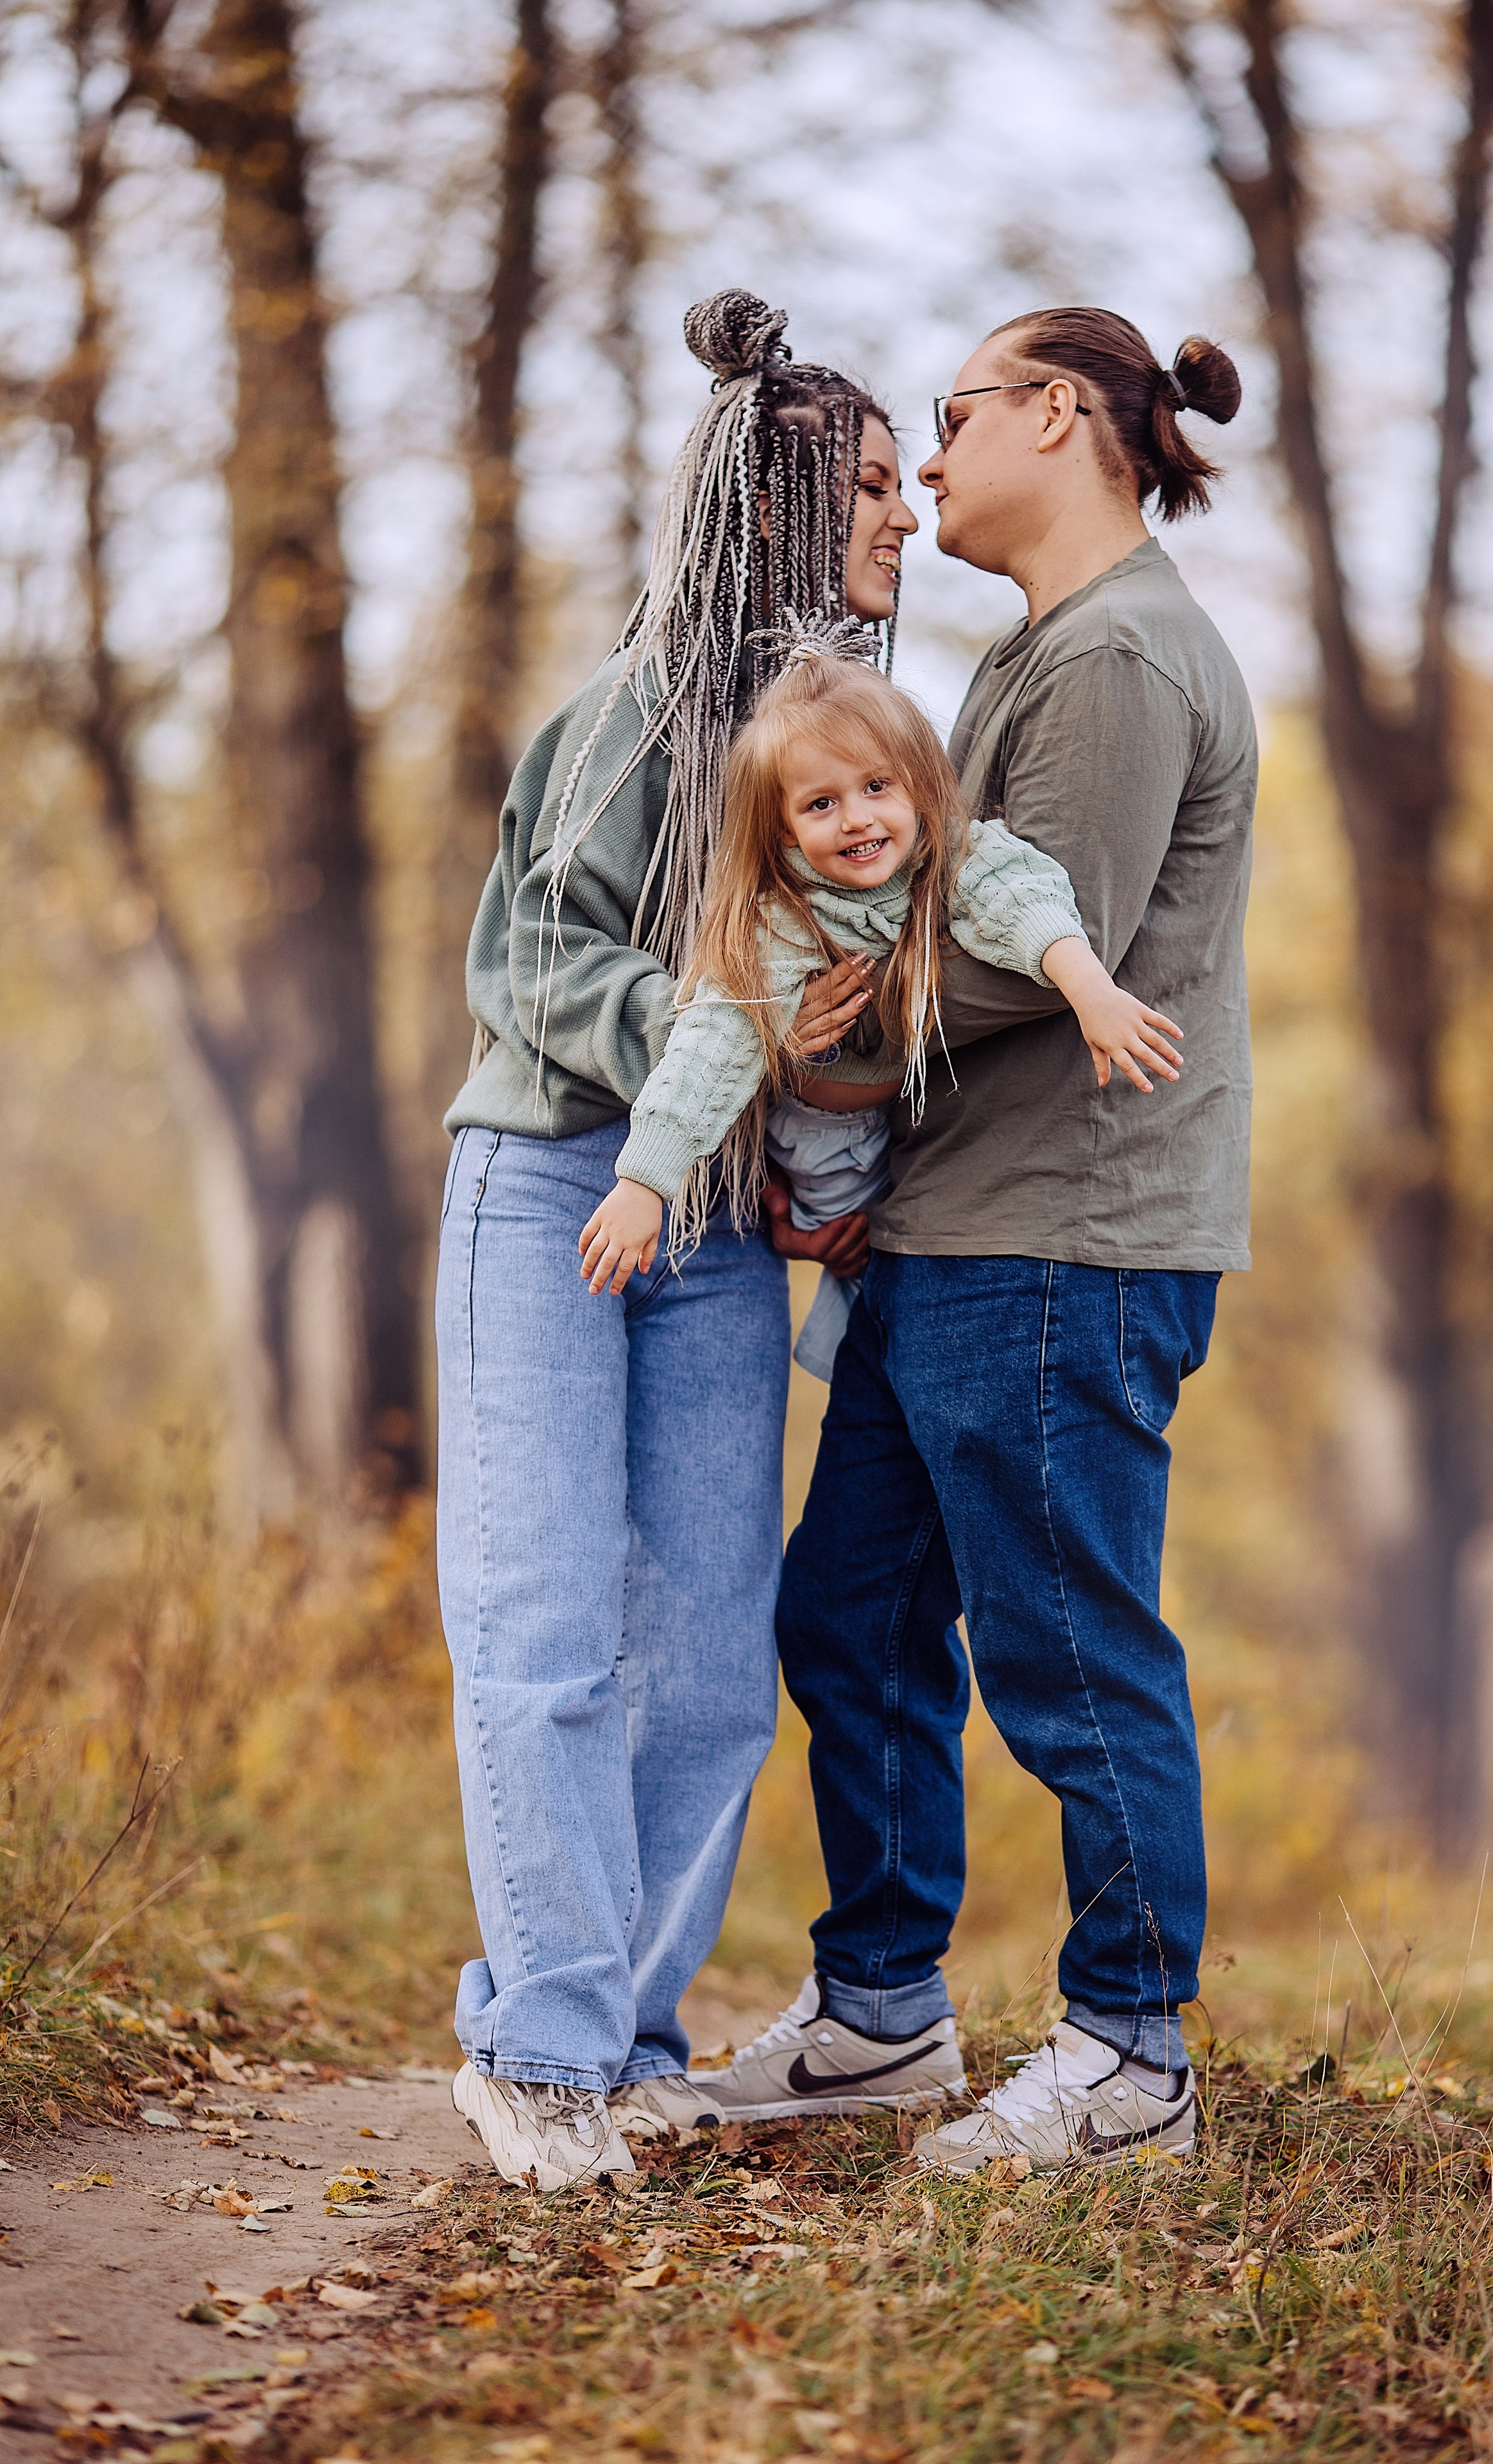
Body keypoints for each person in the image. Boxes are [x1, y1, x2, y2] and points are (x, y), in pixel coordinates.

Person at [699, 307, 1256, 2169]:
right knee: (849, 1614)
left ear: (1055, 415)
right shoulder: (1048, 650)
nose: (924, 465)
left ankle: (1129, 2055)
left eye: (946, 420)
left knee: (1066, 1648)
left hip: (1064, 1243)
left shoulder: (1115, 660)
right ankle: (882, 2014)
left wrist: (806, 1020)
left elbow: (1032, 950)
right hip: (953, 1241)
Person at [435, 288, 913, 2192]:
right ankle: (535, 2048)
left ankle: (625, 2039)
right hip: (554, 1185)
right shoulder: (634, 719)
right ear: (785, 513)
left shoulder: (843, 754)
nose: (906, 515)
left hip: (721, 1231)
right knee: (543, 1615)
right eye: (873, 489)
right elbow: (523, 959)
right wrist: (705, 1050)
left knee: (708, 1644)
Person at [576, 646, 1185, 1398]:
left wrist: (1091, 992)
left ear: (917, 786)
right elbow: (714, 1041)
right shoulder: (783, 919)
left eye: (875, 786)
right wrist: (644, 1182)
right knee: (856, 1259)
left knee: (893, 1249)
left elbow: (1017, 895)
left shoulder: (944, 856)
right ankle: (856, 1366)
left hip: (905, 1125)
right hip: (819, 1141)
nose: (857, 818)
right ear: (783, 831)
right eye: (820, 804)